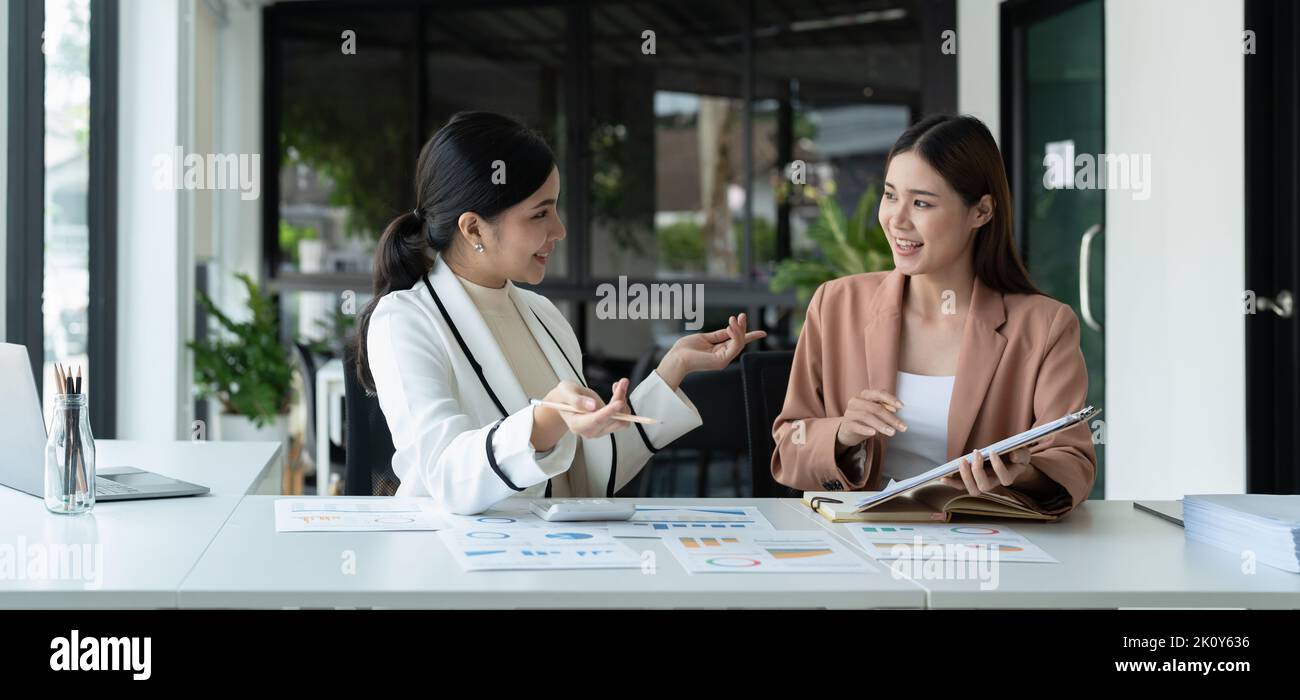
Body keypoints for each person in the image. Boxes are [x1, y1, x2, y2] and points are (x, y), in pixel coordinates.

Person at [355, 111, 765, 514]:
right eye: (539, 213)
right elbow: (446, 474)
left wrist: (672, 370)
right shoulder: (404, 321)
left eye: (555, 208)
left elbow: (586, 477)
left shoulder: (543, 315)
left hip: (558, 558)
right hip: (464, 568)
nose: (559, 230)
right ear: (474, 228)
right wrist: (546, 419)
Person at [771, 114, 1096, 516]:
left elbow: (1074, 463)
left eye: (922, 202)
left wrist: (1021, 474)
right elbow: (789, 446)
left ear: (981, 212)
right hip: (858, 548)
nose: (896, 219)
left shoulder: (1044, 326)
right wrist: (842, 434)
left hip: (984, 554)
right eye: (890, 196)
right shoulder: (836, 305)